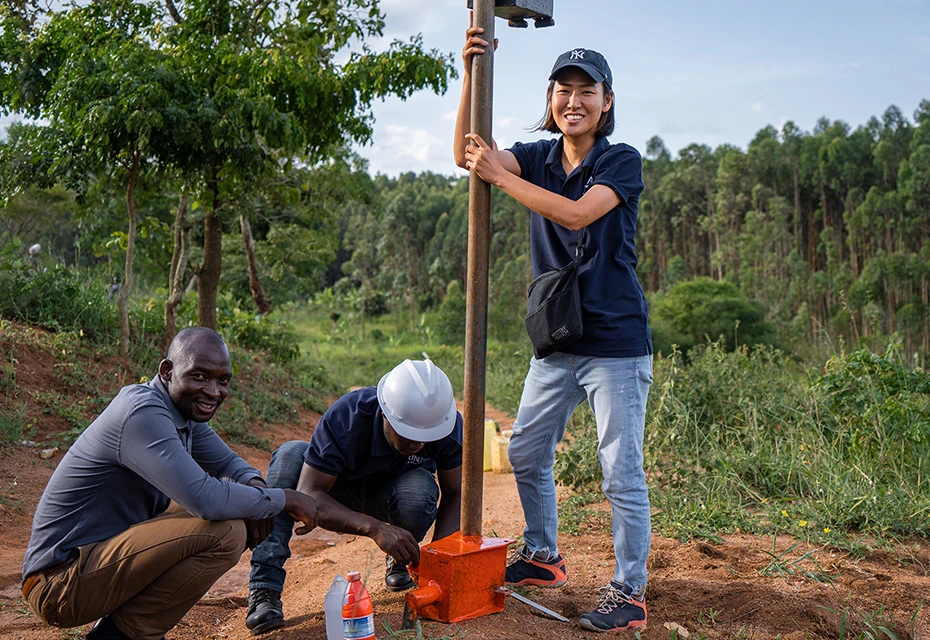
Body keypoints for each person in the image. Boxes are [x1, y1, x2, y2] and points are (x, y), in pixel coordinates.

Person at [455, 18, 653, 634]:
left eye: (586, 90)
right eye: (562, 90)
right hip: (557, 340)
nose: (573, 101)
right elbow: (469, 154)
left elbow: (574, 216)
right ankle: (543, 556)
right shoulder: (538, 155)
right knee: (526, 449)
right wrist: (470, 74)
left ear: (607, 101)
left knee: (620, 469)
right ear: (550, 101)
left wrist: (500, 177)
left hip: (615, 344)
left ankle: (629, 590)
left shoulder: (620, 160)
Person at [21, 327, 321, 640]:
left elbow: (229, 465)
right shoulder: (143, 412)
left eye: (223, 380)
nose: (214, 391)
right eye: (200, 376)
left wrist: (260, 495)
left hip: (93, 565)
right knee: (225, 530)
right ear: (167, 371)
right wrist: (283, 499)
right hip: (59, 585)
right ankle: (122, 634)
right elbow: (206, 499)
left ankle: (124, 627)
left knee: (232, 509)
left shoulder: (181, 413)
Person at [245, 359, 463, 635]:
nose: (417, 444)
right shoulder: (348, 415)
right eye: (407, 433)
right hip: (338, 493)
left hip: (393, 493)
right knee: (289, 455)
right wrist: (376, 528)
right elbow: (309, 493)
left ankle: (401, 558)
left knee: (419, 492)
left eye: (424, 437)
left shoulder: (443, 424)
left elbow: (455, 493)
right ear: (385, 413)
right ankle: (264, 590)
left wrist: (436, 570)